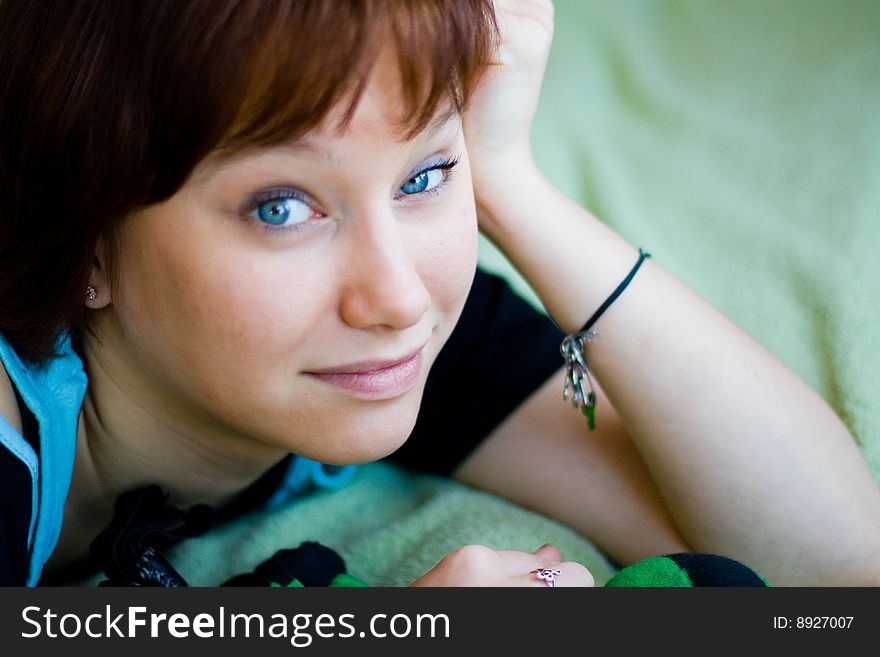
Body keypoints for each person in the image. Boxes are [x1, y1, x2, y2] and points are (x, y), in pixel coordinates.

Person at [1, 0, 877, 588]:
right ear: (86, 241)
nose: (396, 295)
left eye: (423, 175)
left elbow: (834, 566)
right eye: (282, 206)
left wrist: (502, 176)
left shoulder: (388, 342)